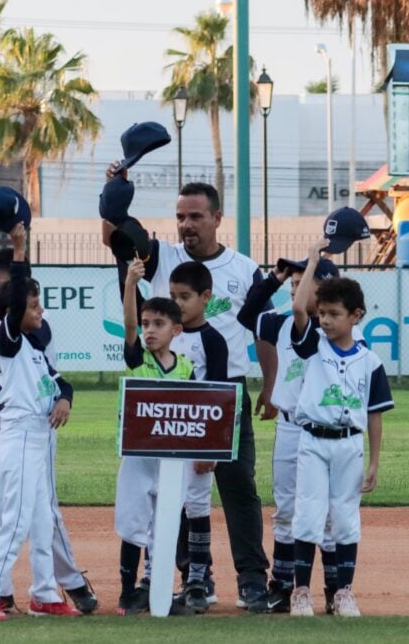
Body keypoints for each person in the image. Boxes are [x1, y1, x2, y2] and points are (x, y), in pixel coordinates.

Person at [102, 164, 275, 608]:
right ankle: (190, 577)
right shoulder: (161, 257)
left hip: (226, 390)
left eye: (196, 216)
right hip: (170, 393)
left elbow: (264, 331)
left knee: (238, 485)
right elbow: (117, 231)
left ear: (217, 218)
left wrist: (270, 386)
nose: (186, 225)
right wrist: (116, 184)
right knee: (172, 492)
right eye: (180, 216)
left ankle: (253, 579)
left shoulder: (244, 269)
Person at [0, 247, 97, 615]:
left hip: (39, 433)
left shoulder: (33, 347)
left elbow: (58, 381)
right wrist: (18, 250)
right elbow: (15, 307)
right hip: (19, 433)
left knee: (42, 518)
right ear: (14, 311)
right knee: (15, 518)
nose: (40, 311)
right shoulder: (7, 339)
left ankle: (45, 594)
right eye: (33, 306)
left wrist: (65, 398)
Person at [237, 255, 353, 614]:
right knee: (286, 508)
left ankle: (334, 589)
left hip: (329, 429)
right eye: (293, 282)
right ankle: (283, 586)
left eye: (305, 281)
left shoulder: (337, 329)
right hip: (291, 424)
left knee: (331, 513)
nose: (294, 286)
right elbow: (246, 315)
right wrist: (274, 277)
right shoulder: (278, 321)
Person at [286, 239, 395, 617]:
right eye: (323, 313)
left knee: (346, 519)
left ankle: (344, 592)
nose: (325, 320)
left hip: (350, 445)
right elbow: (299, 306)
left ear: (356, 315)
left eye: (333, 313)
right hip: (314, 441)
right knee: (309, 514)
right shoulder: (314, 345)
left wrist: (375, 462)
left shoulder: (370, 361)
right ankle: (301, 592)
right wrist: (314, 261)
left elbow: (375, 414)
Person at [115, 259, 194, 616]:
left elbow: (196, 411)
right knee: (134, 525)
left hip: (172, 459)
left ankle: (160, 590)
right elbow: (129, 325)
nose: (149, 330)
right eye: (147, 324)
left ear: (177, 330)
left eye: (158, 324)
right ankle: (127, 592)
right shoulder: (138, 359)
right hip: (138, 455)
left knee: (166, 523)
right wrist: (131, 284)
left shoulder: (187, 367)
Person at [167, 261, 228, 613]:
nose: (178, 303)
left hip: (198, 441)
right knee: (171, 510)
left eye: (185, 296)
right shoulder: (167, 334)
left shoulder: (212, 340)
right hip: (168, 440)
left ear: (205, 297)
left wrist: (211, 447)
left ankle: (199, 581)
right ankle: (183, 573)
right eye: (173, 296)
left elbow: (219, 398)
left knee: (198, 508)